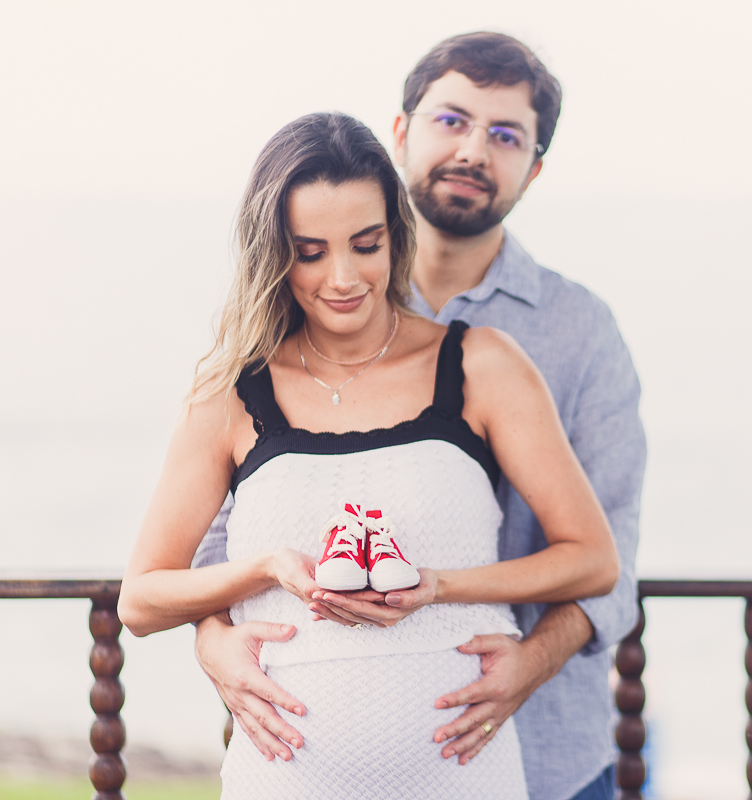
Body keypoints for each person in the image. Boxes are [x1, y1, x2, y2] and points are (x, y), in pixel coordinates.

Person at [192, 32, 646, 800]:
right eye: (452, 120)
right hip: (311, 757)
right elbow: (219, 536)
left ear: (533, 170)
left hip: (548, 754)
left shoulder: (579, 331)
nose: (473, 149)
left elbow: (611, 551)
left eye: (506, 136)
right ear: (401, 133)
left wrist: (529, 665)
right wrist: (215, 647)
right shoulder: (322, 300)